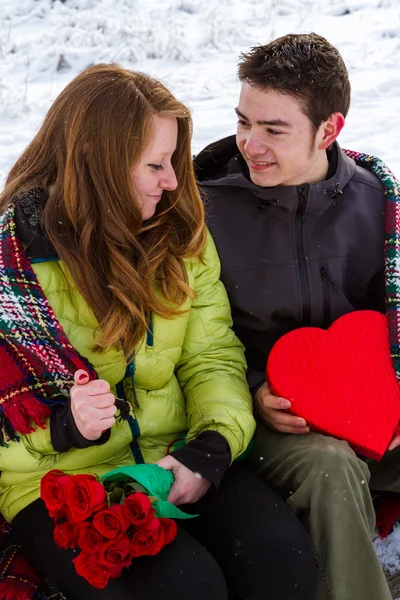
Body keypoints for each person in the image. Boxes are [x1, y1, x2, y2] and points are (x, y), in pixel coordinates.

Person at [0, 64, 317, 600]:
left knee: (281, 561)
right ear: (99, 167)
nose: (173, 180)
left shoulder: (177, 239)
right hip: (61, 483)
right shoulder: (13, 272)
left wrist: (210, 447)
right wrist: (64, 429)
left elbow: (211, 357)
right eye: (155, 164)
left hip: (173, 454)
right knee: (186, 588)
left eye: (172, 161)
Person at [194, 33, 400, 600]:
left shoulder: (375, 203)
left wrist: (391, 395)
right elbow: (190, 338)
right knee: (331, 469)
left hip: (368, 405)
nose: (248, 143)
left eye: (273, 130)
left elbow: (393, 315)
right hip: (265, 422)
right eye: (243, 122)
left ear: (329, 130)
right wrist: (256, 389)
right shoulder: (204, 211)